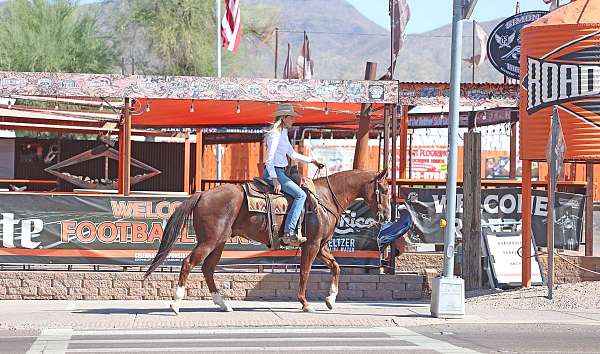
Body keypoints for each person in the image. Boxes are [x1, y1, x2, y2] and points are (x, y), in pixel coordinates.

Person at [263, 103, 324, 245]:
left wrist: (311, 160)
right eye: (291, 118)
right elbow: (269, 160)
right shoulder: (275, 134)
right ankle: (289, 232)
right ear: (284, 118)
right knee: (301, 195)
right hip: (275, 172)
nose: (293, 120)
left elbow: (292, 154)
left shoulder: (283, 133)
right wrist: (275, 179)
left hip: (281, 171)